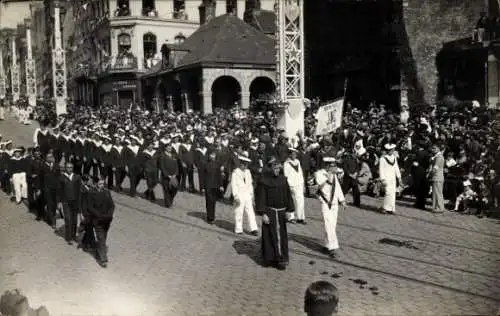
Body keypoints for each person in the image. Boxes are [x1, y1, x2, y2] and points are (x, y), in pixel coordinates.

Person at [255, 157, 295, 270]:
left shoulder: (283, 180)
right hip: (270, 212)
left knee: (281, 236)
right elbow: (261, 198)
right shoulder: (264, 181)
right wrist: (263, 213)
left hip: (281, 212)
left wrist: (289, 210)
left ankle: (282, 258)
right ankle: (270, 258)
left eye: (278, 168)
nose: (277, 170)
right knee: (269, 235)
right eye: (275, 168)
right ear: (270, 169)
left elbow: (288, 195)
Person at [314, 156, 346, 258]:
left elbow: (337, 188)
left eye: (334, 165)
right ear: (327, 165)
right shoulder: (319, 173)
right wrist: (328, 175)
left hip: (334, 203)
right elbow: (319, 183)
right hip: (325, 202)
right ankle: (333, 248)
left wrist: (342, 200)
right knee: (328, 224)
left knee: (332, 225)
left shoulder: (334, 175)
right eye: (332, 165)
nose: (334, 167)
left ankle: (327, 244)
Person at [87, 176, 115, 268]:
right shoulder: (91, 193)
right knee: (101, 238)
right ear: (95, 184)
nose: (102, 185)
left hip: (107, 220)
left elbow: (112, 205)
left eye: (103, 183)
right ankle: (103, 259)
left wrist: (109, 215)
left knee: (104, 237)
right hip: (98, 220)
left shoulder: (107, 192)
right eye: (100, 184)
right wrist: (99, 215)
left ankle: (99, 252)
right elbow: (90, 207)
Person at [230, 151, 258, 235]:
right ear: (240, 163)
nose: (245, 166)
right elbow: (233, 185)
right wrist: (235, 196)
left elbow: (250, 185)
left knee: (250, 212)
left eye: (246, 164)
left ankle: (253, 228)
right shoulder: (235, 172)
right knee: (239, 212)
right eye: (243, 164)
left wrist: (251, 195)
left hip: (247, 195)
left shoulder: (248, 172)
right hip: (239, 194)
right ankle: (238, 229)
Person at [58, 162, 81, 245]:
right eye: (67, 167)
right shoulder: (61, 178)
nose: (69, 169)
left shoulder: (77, 177)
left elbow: (79, 191)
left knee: (74, 220)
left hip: (75, 202)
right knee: (68, 219)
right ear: (65, 168)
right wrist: (59, 202)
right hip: (66, 202)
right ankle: (69, 237)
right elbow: (59, 191)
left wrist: (80, 203)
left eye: (71, 167)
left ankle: (74, 235)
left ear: (73, 168)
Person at [283, 147, 306, 224]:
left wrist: (303, 184)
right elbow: (286, 175)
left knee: (300, 200)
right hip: (291, 184)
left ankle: (300, 217)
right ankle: (290, 217)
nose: (293, 155)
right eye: (292, 154)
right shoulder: (286, 163)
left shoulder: (298, 161)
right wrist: (288, 185)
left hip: (299, 183)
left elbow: (300, 173)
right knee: (291, 201)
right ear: (289, 154)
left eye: (295, 154)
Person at [378, 143, 401, 214]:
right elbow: (381, 169)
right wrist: (382, 179)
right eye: (390, 150)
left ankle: (391, 208)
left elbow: (396, 167)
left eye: (393, 150)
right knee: (387, 192)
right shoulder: (382, 158)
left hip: (393, 178)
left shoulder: (394, 157)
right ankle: (384, 208)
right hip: (386, 177)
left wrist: (399, 177)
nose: (392, 151)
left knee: (392, 193)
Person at [203, 148, 222, 224]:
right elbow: (202, 176)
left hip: (215, 185)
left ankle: (212, 216)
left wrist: (221, 185)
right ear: (209, 155)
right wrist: (202, 187)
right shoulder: (205, 164)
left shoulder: (217, 164)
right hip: (208, 185)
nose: (212, 156)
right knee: (209, 201)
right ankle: (210, 217)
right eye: (211, 154)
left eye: (214, 154)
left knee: (213, 202)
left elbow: (219, 175)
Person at [158, 142, 179, 208]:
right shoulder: (162, 155)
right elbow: (162, 166)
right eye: (168, 147)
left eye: (171, 147)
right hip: (165, 176)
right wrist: (167, 175)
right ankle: (168, 204)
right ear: (165, 148)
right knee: (166, 190)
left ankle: (170, 200)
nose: (170, 148)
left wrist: (175, 174)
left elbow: (176, 166)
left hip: (174, 176)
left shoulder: (174, 155)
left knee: (175, 188)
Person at [429, 143, 445, 213]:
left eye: (434, 148)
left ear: (438, 148)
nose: (432, 150)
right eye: (432, 148)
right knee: (436, 192)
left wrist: (430, 174)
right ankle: (436, 207)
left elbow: (435, 168)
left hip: (437, 176)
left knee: (438, 192)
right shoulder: (436, 156)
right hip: (437, 177)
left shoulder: (439, 157)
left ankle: (440, 207)